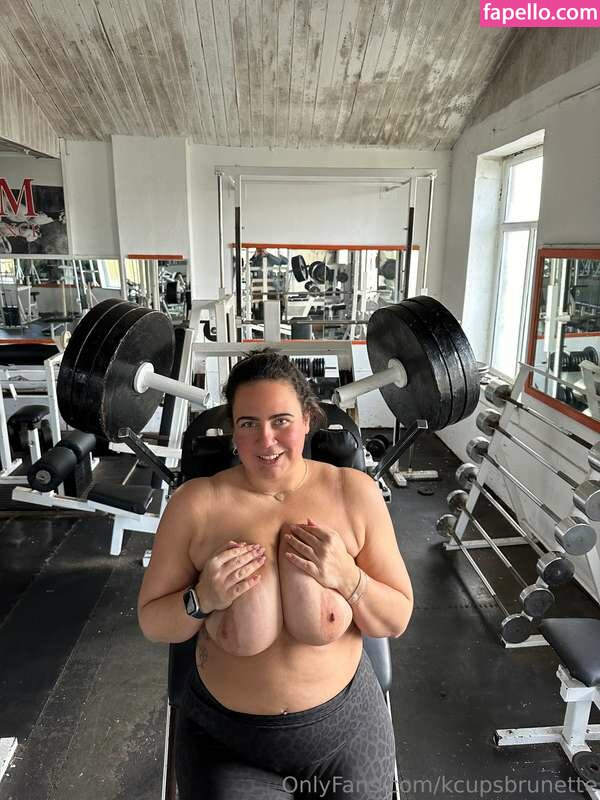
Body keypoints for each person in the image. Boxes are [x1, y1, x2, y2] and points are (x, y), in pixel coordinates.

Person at [138, 350, 413, 799]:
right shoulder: (195, 504)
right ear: (233, 431)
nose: (266, 440)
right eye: (248, 423)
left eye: (281, 420)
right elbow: (153, 622)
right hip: (228, 744)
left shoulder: (354, 493)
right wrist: (202, 599)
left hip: (346, 733)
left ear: (307, 419)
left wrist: (349, 578)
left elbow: (396, 618)